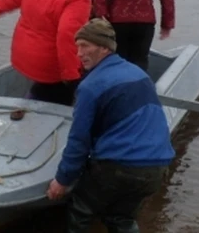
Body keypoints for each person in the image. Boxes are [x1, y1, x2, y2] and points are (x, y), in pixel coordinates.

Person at [46, 18, 175, 233]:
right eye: (77, 46)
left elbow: (78, 141)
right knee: (121, 218)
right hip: (157, 166)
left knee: (81, 209)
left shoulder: (91, 86)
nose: (78, 54)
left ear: (104, 48)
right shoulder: (139, 74)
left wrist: (62, 180)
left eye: (85, 46)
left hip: (121, 166)